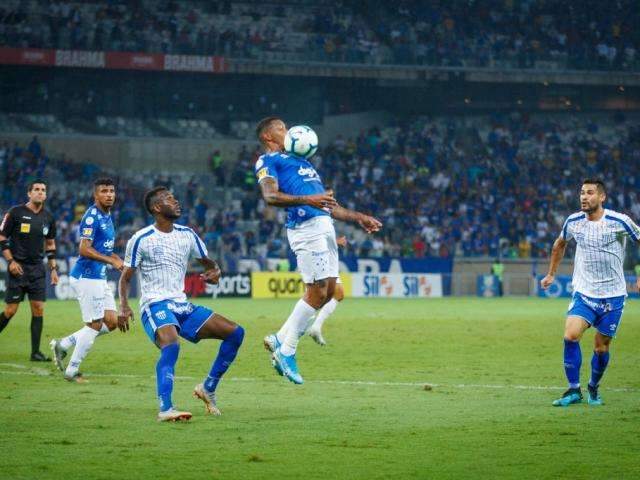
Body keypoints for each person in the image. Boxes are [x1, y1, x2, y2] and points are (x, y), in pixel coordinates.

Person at [255, 117, 382, 385]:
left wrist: (359, 217)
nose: (286, 131)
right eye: (280, 128)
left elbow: (327, 205)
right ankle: (286, 350)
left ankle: (279, 338)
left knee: (331, 291)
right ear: (268, 137)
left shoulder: (304, 163)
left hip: (323, 227)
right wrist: (308, 200)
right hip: (304, 228)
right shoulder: (268, 162)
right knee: (318, 291)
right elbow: (270, 197)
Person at [118, 187, 244, 422]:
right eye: (169, 199)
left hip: (181, 305)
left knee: (236, 333)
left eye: (175, 198)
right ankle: (166, 408)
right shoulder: (141, 239)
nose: (176, 202)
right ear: (156, 208)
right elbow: (125, 277)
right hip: (154, 304)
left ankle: (208, 388)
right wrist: (123, 306)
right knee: (172, 343)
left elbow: (210, 264)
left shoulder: (187, 234)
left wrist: (214, 272)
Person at [541, 179, 640, 406]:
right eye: (582, 193)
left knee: (601, 346)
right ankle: (574, 391)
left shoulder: (619, 221)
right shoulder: (574, 221)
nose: (584, 197)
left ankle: (593, 387)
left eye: (590, 193)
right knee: (570, 335)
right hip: (584, 292)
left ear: (602, 197)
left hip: (613, 296)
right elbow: (559, 244)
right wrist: (551, 274)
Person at [50, 178, 124, 382]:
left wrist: (116, 258)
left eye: (111, 191)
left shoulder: (108, 215)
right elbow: (83, 248)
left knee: (111, 322)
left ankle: (64, 344)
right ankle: (71, 371)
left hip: (98, 276)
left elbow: (104, 248)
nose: (109, 194)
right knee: (94, 324)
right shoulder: (92, 216)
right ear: (96, 195)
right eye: (104, 191)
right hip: (86, 276)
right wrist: (110, 260)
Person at [0, 180, 58, 361]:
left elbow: (50, 243)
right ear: (29, 193)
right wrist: (10, 261)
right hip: (18, 268)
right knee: (10, 310)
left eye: (43, 190)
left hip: (37, 270)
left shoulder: (48, 217)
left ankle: (35, 352)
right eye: (37, 190)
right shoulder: (15, 213)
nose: (40, 192)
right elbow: (2, 236)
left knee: (38, 309)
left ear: (46, 195)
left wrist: (53, 268)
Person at [306, 235, 348, 346]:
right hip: (319, 256)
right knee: (315, 298)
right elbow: (315, 232)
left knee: (337, 294)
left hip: (325, 256)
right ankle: (285, 336)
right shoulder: (318, 219)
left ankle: (315, 326)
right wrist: (336, 241)